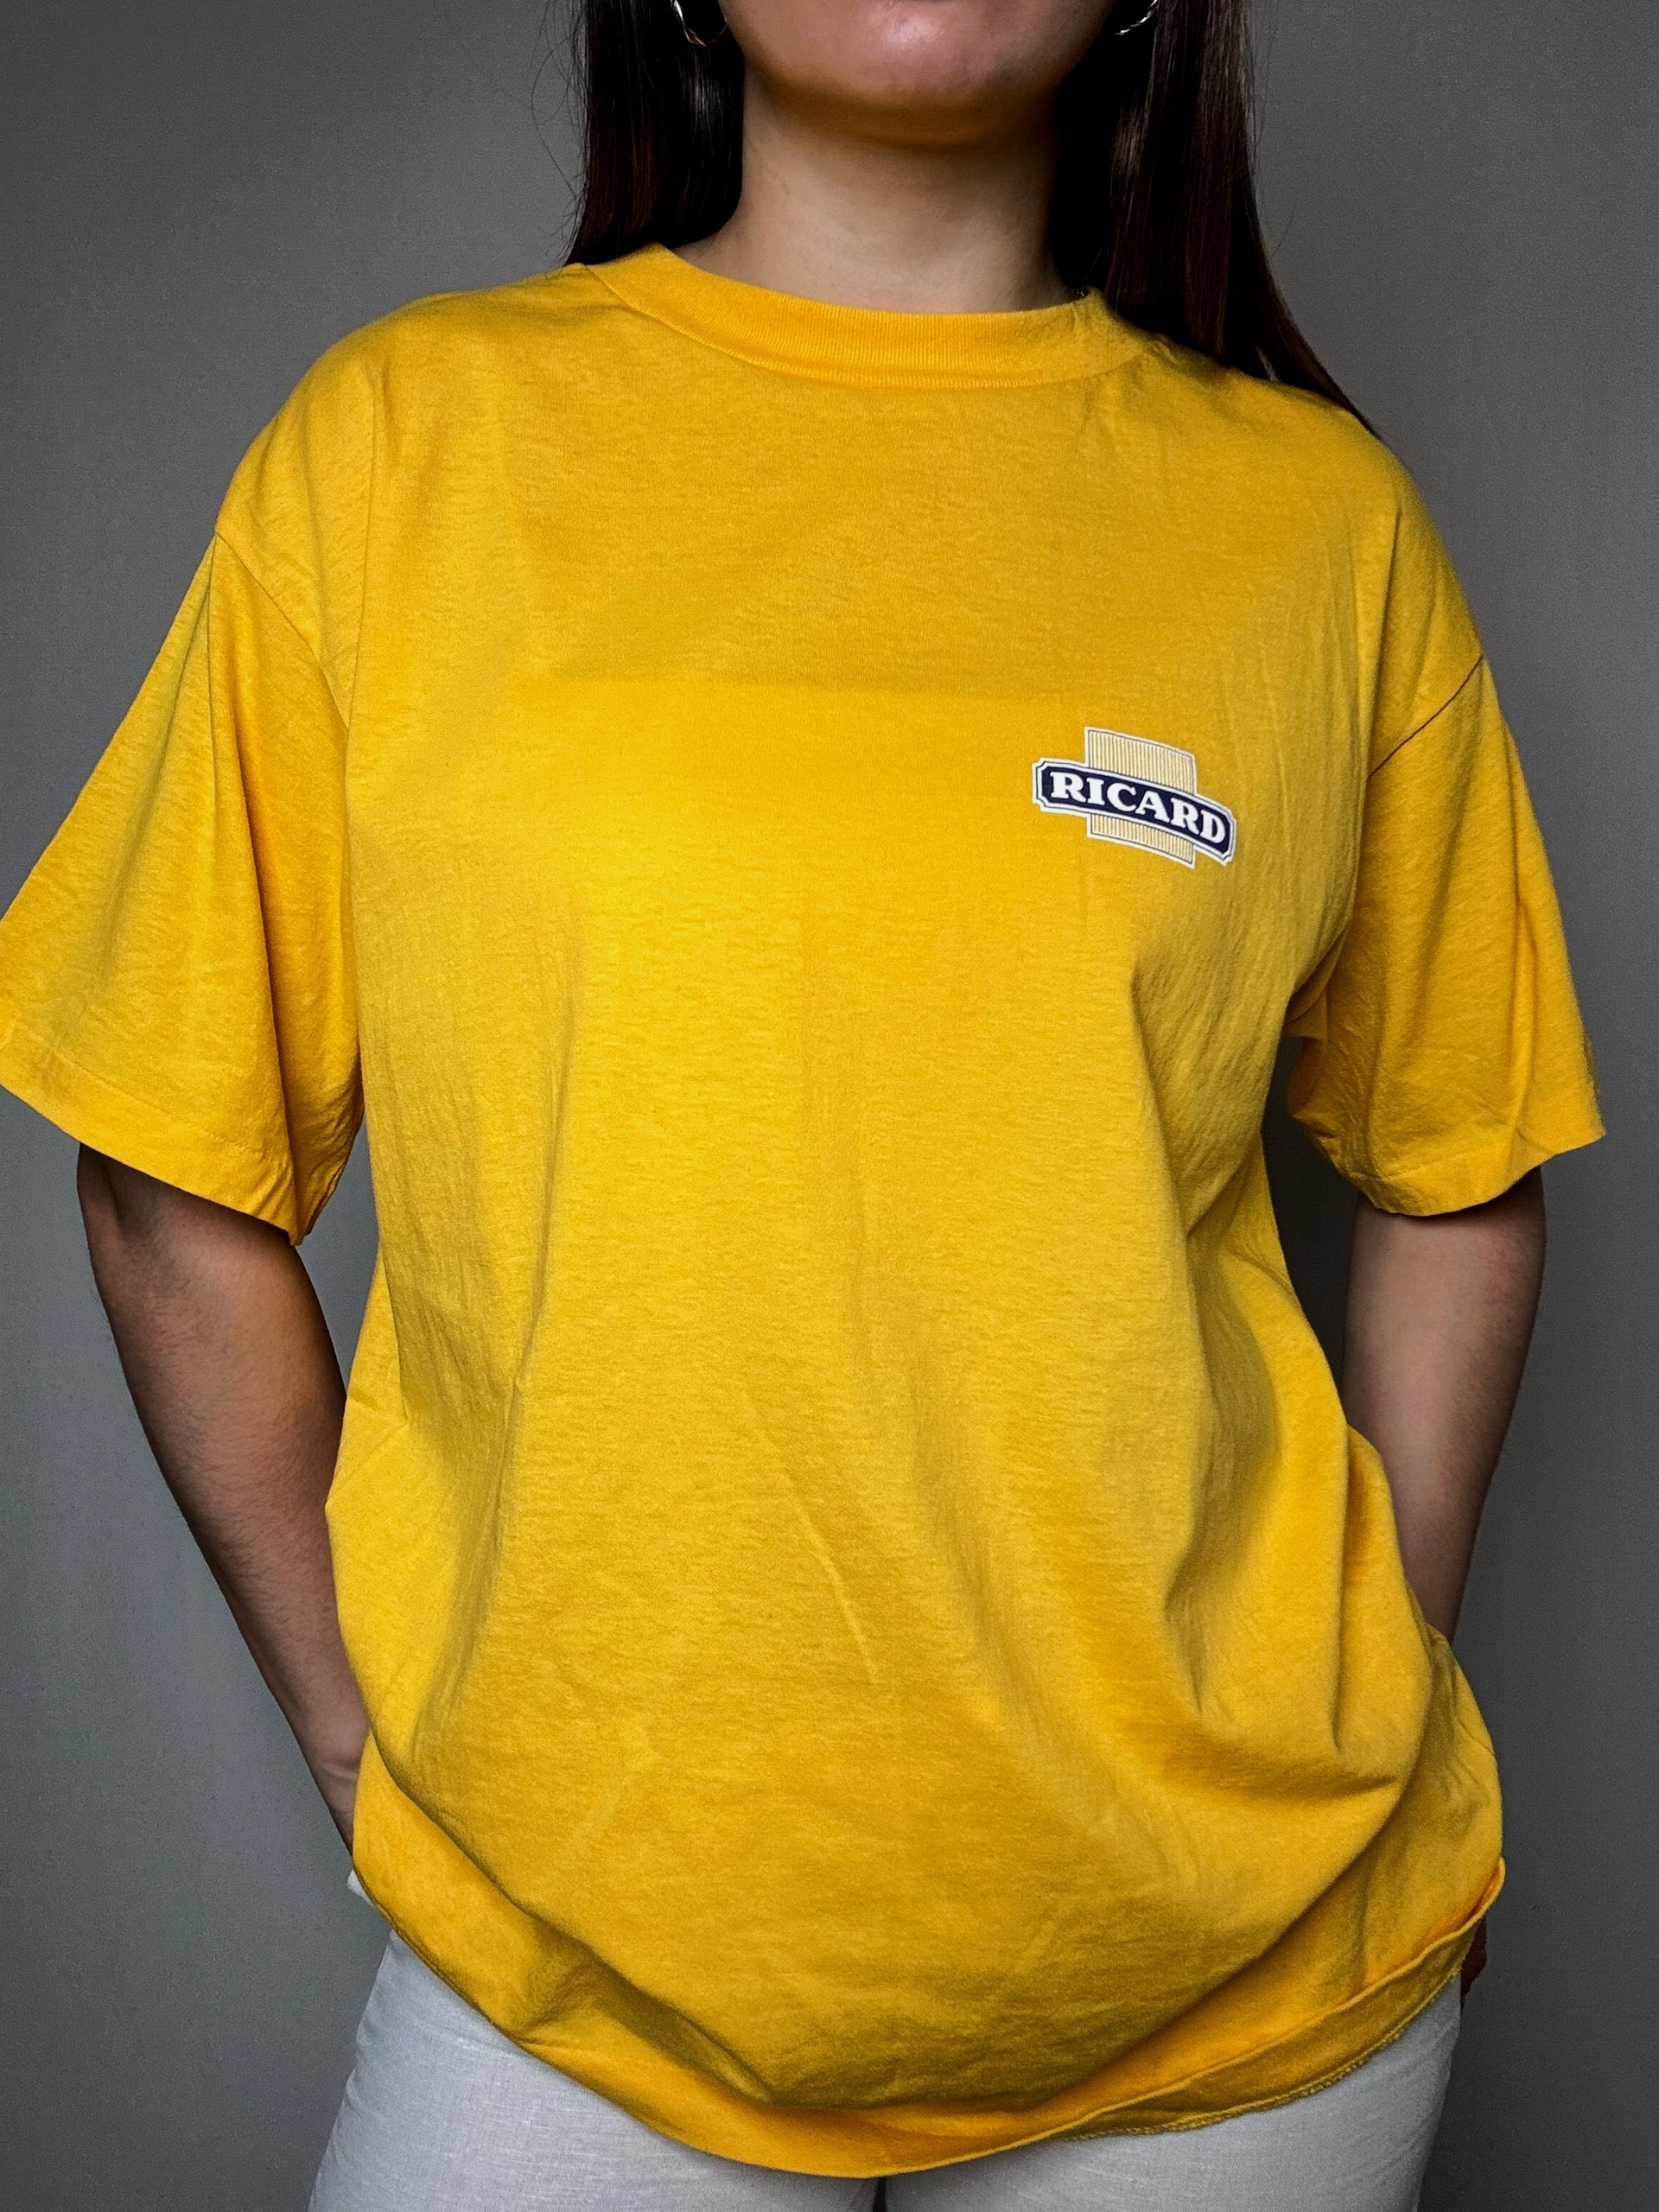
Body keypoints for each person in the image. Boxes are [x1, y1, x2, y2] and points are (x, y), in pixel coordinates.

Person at [0, 0, 1604, 2206]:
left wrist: (1385, 1677)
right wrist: (359, 1738)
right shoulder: (400, 447)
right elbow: (167, 1158)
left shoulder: (1324, 528)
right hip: (567, 1968)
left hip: (1246, 2000)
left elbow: (1460, 1164)